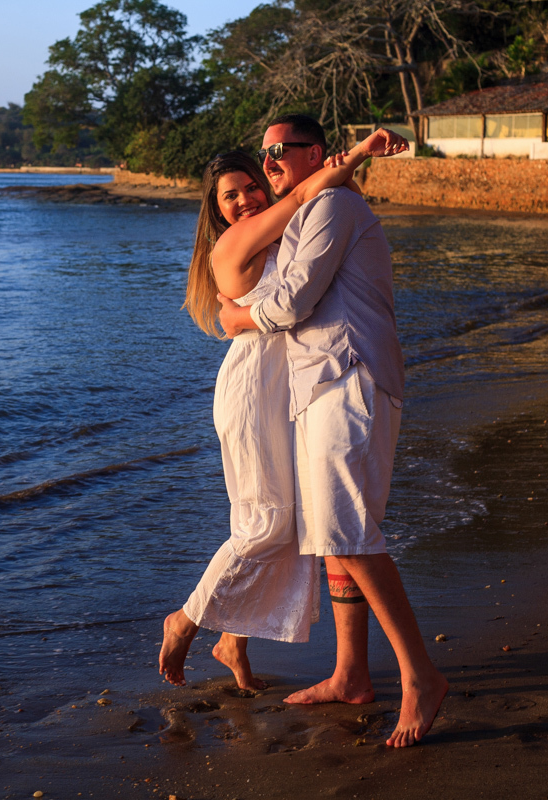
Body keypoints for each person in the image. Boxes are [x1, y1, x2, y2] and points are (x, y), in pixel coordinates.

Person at [218, 114, 448, 748]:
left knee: (346, 533)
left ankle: (420, 676)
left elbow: (292, 301)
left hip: (349, 377)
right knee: (336, 536)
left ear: (315, 153)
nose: (267, 164)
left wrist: (239, 318)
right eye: (262, 154)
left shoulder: (335, 207)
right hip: (323, 383)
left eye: (278, 152)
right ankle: (351, 675)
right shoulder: (311, 204)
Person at [159, 132, 406, 692]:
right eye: (230, 196)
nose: (244, 199)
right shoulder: (237, 242)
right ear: (215, 211)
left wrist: (338, 166)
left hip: (291, 383)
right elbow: (300, 199)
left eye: (251, 186)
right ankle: (187, 619)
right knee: (268, 519)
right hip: (254, 388)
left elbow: (306, 204)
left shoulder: (285, 236)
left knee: (288, 519)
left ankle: (232, 643)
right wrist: (360, 154)